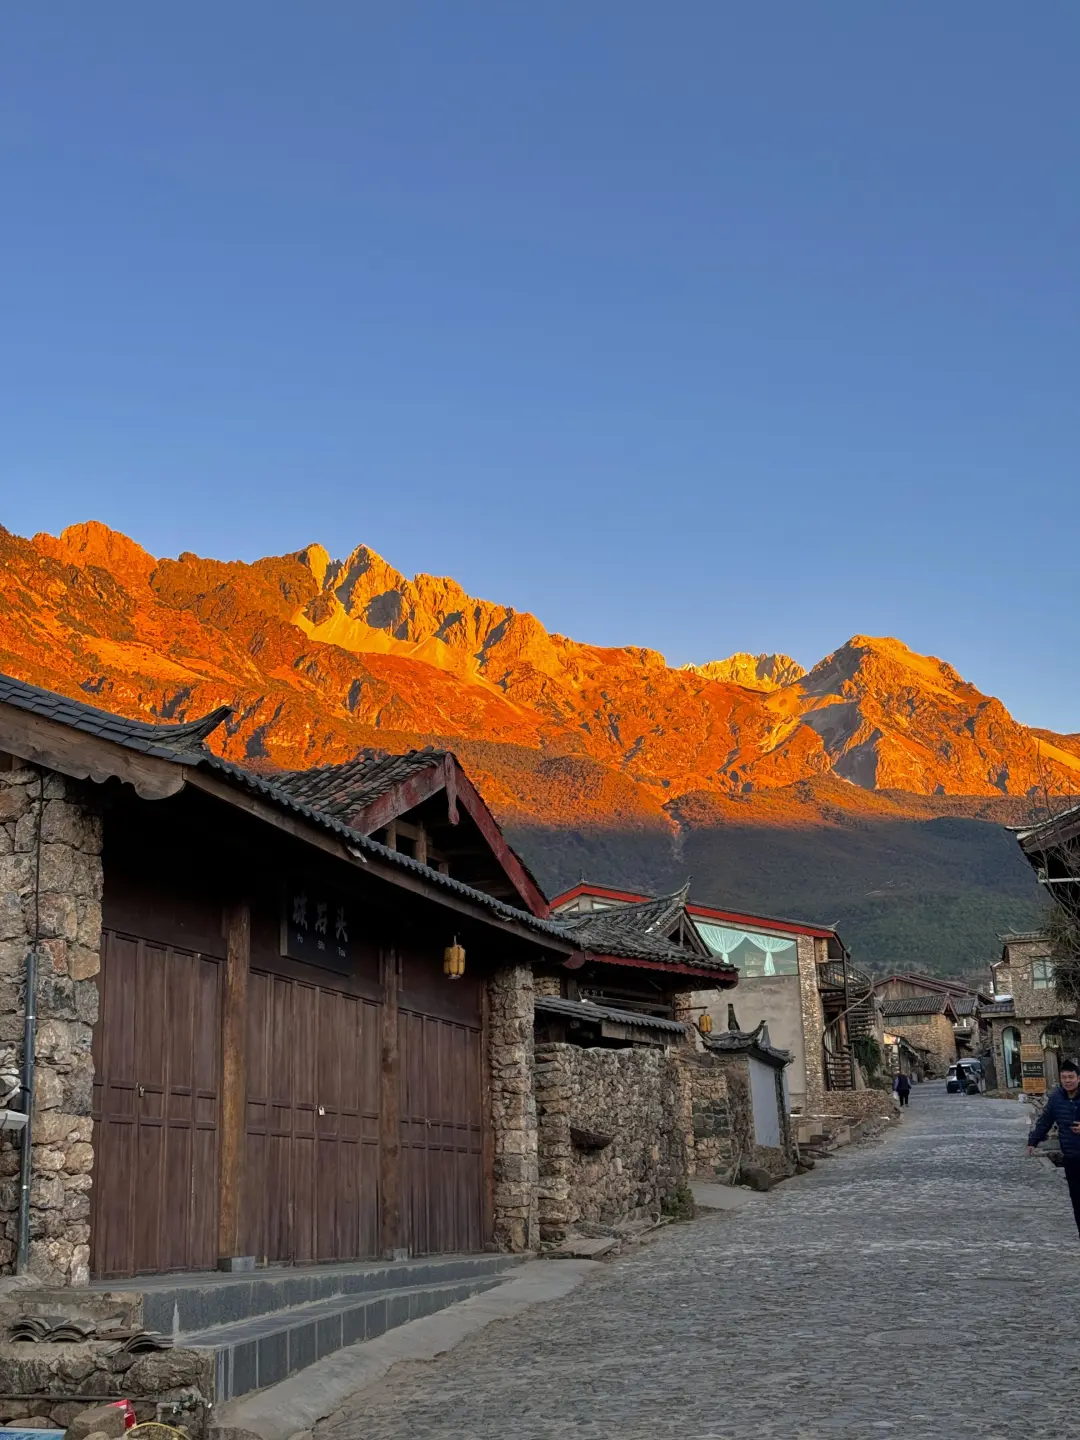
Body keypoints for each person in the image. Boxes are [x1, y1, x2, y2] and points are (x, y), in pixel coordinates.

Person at [1027, 1056, 1080, 1240]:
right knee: (1077, 1201)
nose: (1067, 1081)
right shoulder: (1056, 1098)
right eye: (1064, 1077)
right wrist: (1032, 1141)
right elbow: (1045, 1121)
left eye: (1071, 1077)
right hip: (1072, 1158)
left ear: (1078, 1078)